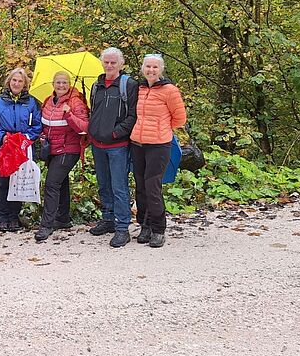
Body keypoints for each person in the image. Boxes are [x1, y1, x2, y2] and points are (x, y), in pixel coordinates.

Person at [130, 54, 187, 248]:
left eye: (155, 67)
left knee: (153, 186)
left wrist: (162, 128)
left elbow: (180, 118)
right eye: (148, 66)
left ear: (161, 69)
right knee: (140, 187)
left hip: (159, 144)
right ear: (143, 68)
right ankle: (144, 226)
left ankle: (158, 229)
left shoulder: (169, 90)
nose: (151, 70)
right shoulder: (139, 88)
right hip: (137, 143)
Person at [87, 48, 139, 248]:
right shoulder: (96, 85)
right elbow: (94, 112)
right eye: (106, 62)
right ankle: (107, 219)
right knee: (103, 184)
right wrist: (92, 132)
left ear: (121, 64)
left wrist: (116, 132)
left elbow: (133, 115)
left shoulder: (128, 85)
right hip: (98, 145)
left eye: (113, 63)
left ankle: (122, 228)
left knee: (119, 187)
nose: (109, 66)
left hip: (117, 145)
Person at [0, 68, 42, 231]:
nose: (16, 83)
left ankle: (14, 216)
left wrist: (26, 139)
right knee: (4, 183)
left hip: (22, 148)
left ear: (25, 84)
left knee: (19, 182)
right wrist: (2, 136)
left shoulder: (31, 102)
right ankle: (2, 217)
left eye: (20, 81)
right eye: (14, 80)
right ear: (9, 82)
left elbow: (37, 125)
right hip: (4, 147)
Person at [35, 71, 90, 242]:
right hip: (52, 149)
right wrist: (43, 136)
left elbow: (84, 128)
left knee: (51, 183)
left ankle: (46, 225)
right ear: (53, 83)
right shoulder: (48, 101)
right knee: (61, 182)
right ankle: (63, 218)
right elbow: (45, 125)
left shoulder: (75, 102)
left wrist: (69, 115)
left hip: (69, 149)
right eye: (58, 82)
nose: (61, 86)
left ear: (69, 84)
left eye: (64, 82)